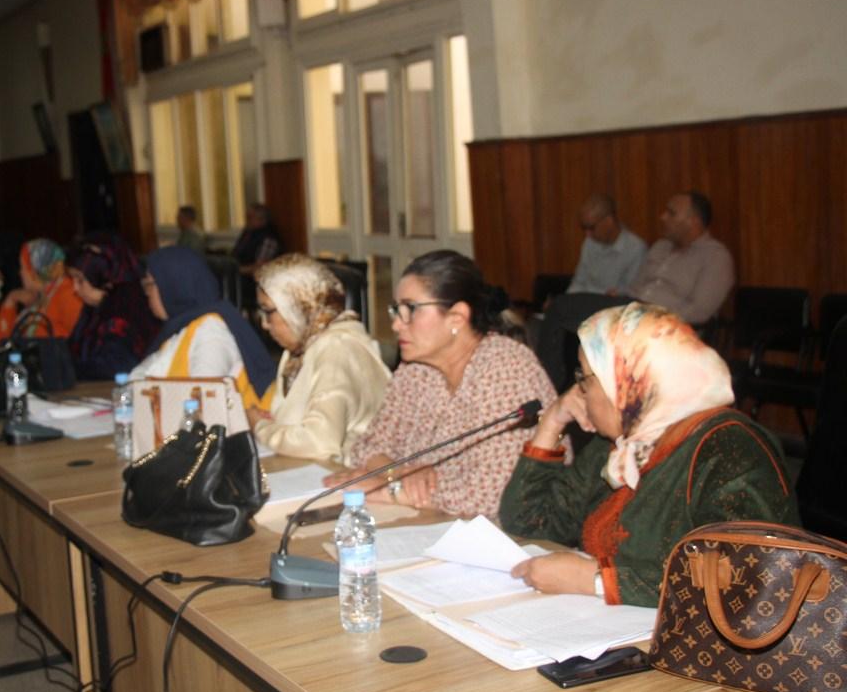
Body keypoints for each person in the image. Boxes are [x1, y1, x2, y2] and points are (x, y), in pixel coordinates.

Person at [502, 303, 799, 607]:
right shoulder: (621, 444)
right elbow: (529, 523)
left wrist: (598, 581)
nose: (577, 391)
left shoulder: (731, 449)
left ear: (629, 381)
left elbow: (749, 576)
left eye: (584, 378)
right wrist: (552, 422)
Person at [325, 250, 555, 518]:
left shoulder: (506, 370)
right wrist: (399, 472)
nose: (397, 325)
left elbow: (492, 495)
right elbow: (369, 446)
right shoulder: (417, 368)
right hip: (430, 520)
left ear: (456, 317)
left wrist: (387, 491)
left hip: (508, 534)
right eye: (396, 310)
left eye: (410, 310)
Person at [537, 191, 735, 388]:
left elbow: (700, 312)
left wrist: (654, 315)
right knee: (562, 309)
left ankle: (547, 390)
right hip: (629, 308)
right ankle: (555, 389)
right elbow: (637, 287)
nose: (663, 217)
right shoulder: (661, 247)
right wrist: (623, 295)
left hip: (660, 322)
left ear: (694, 221)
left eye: (671, 213)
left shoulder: (715, 257)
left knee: (565, 311)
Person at [246, 254, 391, 464]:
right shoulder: (301, 345)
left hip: (349, 475)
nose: (265, 324)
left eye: (269, 312)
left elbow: (320, 444)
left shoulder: (336, 348)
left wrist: (260, 427)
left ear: (298, 305)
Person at [131, 246, 276, 410]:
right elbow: (137, 378)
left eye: (149, 284)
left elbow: (203, 400)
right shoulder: (181, 327)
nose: (147, 293)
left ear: (172, 285)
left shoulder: (211, 331)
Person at [65, 234, 158, 379]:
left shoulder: (125, 309)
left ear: (103, 276)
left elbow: (116, 367)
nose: (75, 288)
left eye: (80, 280)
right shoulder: (95, 308)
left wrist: (66, 369)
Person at [0, 238, 83, 342]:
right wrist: (11, 298)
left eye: (23, 267)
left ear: (35, 272)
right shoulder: (42, 296)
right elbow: (3, 340)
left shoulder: (68, 294)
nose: (20, 273)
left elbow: (81, 343)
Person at [566, 194, 646, 295]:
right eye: (584, 228)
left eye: (591, 227)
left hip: (615, 304)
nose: (587, 234)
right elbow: (578, 282)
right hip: (588, 300)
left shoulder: (635, 248)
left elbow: (632, 292)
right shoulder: (589, 243)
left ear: (609, 221)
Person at [231, 203, 281, 276]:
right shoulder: (248, 233)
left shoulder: (269, 239)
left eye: (250, 218)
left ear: (262, 220)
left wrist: (235, 270)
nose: (247, 221)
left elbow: (261, 267)